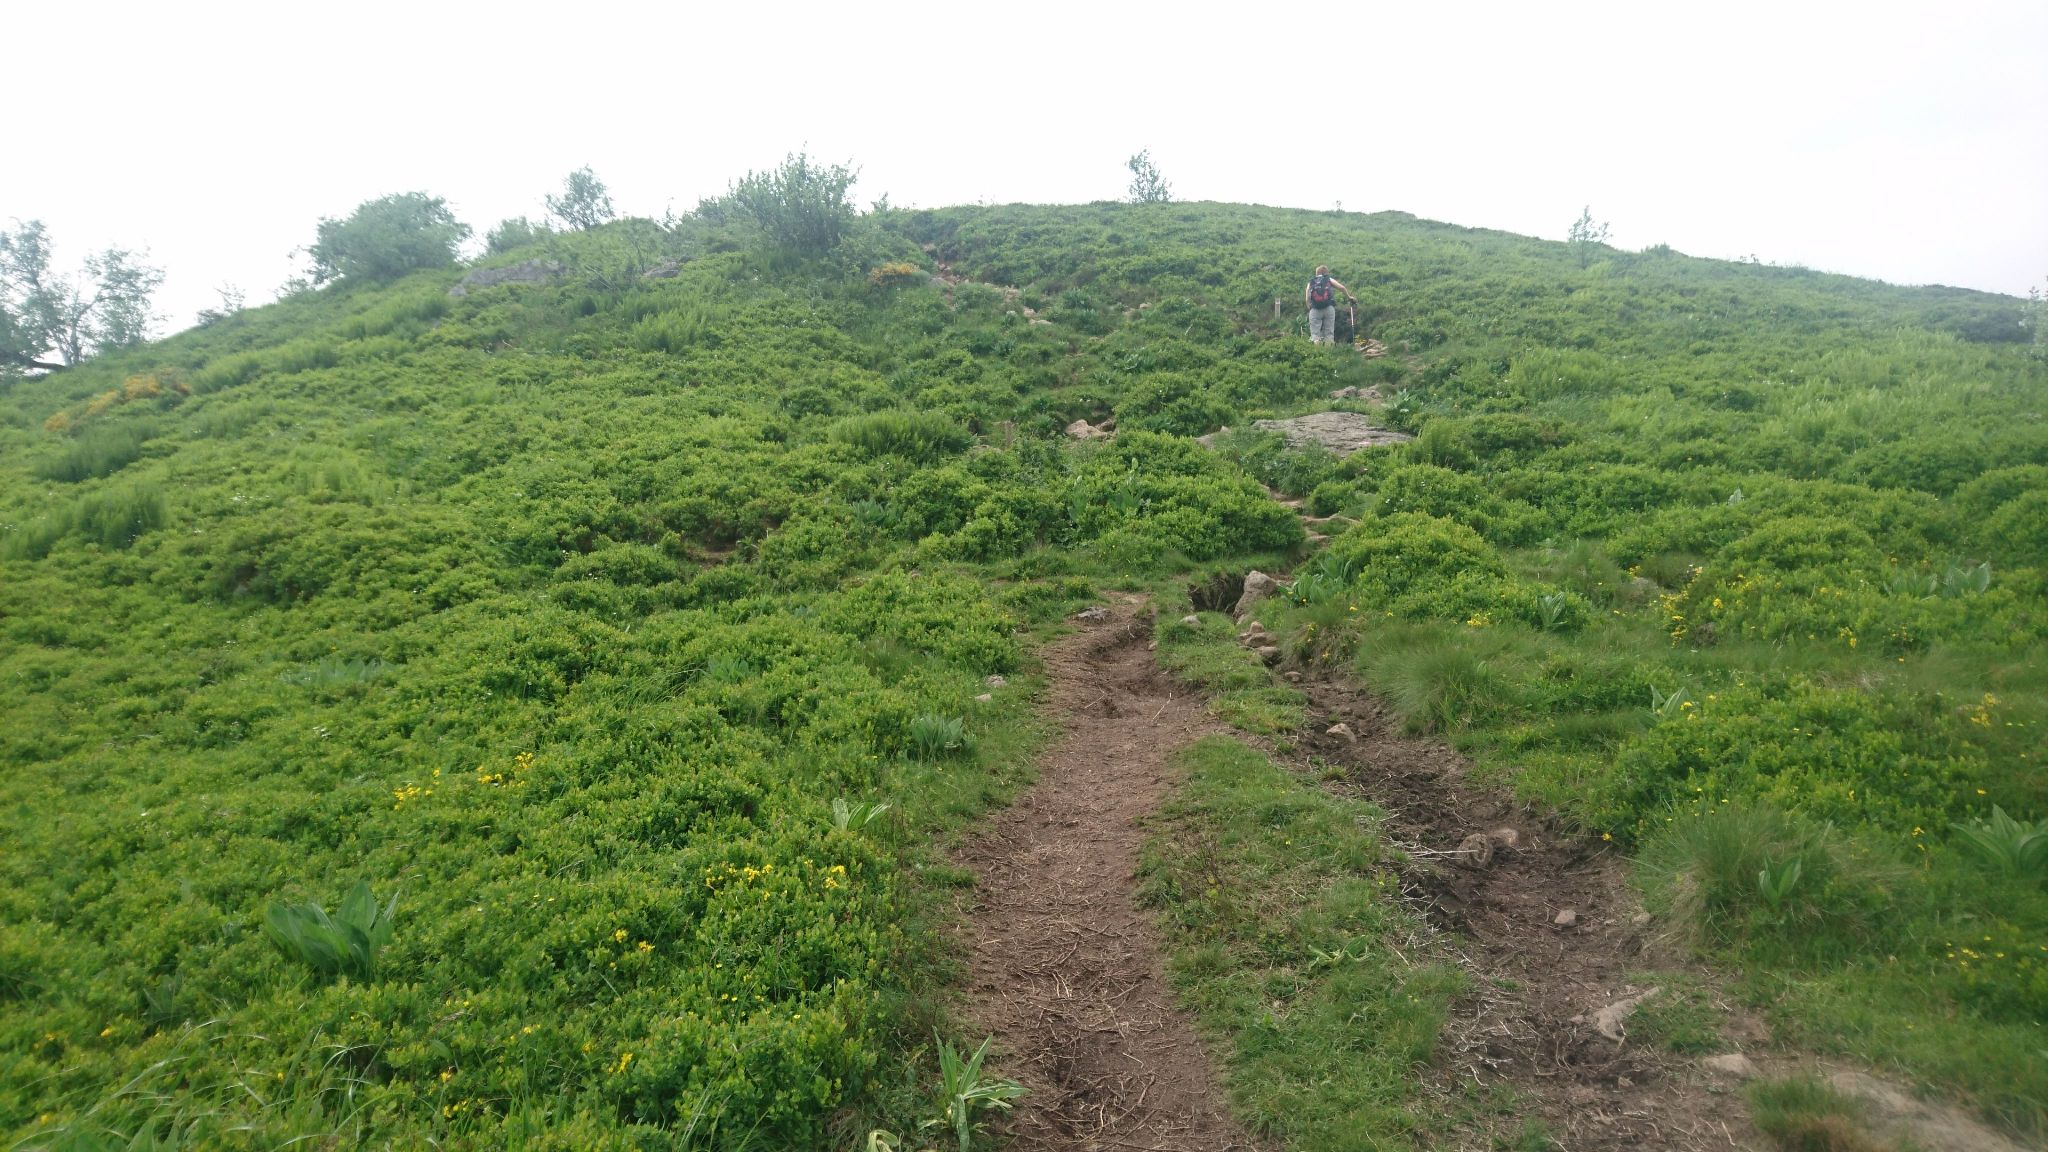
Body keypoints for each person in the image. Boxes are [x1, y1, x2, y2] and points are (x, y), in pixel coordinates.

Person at [1304, 265, 1355, 345]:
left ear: (1317, 273)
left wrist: (1309, 307)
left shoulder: (1311, 282)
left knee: (1315, 335)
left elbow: (1307, 298)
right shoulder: (1328, 279)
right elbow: (1341, 288)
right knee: (1329, 334)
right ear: (1325, 273)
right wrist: (1349, 297)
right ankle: (1329, 350)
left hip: (1315, 309)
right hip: (1328, 308)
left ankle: (1317, 351)